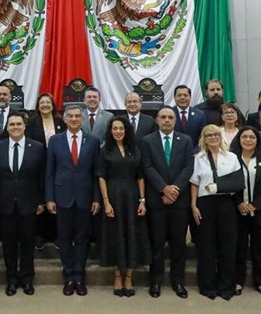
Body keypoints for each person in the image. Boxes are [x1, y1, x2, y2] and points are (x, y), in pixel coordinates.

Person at [45, 105, 101, 296]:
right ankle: (68, 277)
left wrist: (96, 198)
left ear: (82, 119)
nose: (74, 119)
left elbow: (96, 173)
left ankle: (79, 277)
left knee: (82, 239)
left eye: (77, 116)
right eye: (70, 116)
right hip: (62, 197)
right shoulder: (55, 141)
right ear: (65, 119)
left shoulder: (93, 141)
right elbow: (49, 171)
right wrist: (49, 198)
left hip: (85, 198)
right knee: (64, 238)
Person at [140, 106, 194, 299]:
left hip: (179, 201)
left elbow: (188, 167)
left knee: (178, 244)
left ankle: (178, 281)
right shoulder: (147, 141)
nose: (167, 120)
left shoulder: (185, 140)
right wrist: (164, 188)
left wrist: (174, 189)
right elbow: (147, 166)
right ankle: (156, 281)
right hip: (157, 201)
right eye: (163, 117)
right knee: (157, 244)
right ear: (157, 120)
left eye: (170, 117)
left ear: (175, 120)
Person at [0, 112, 46, 296]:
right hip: (5, 204)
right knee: (9, 245)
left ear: (24, 126)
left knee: (28, 244)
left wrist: (41, 201)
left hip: (29, 204)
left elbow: (42, 177)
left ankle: (27, 279)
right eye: (12, 124)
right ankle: (12, 280)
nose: (15, 127)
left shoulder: (37, 147)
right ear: (7, 127)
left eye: (18, 124)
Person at [190, 125, 245, 300]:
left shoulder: (232, 157)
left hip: (226, 203)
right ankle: (208, 286)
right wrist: (193, 205)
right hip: (204, 203)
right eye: (209, 135)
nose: (213, 137)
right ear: (204, 139)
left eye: (216, 134)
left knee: (227, 245)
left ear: (221, 137)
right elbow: (195, 183)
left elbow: (238, 182)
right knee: (206, 245)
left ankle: (226, 286)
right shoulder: (198, 158)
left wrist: (219, 187)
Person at [97, 116, 150, 297]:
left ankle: (129, 277)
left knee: (132, 235)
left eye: (121, 128)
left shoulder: (135, 150)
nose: (118, 131)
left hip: (132, 197)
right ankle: (117, 276)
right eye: (115, 128)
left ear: (126, 130)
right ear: (110, 131)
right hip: (113, 196)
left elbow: (140, 177)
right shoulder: (105, 150)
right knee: (115, 235)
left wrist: (142, 200)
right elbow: (101, 177)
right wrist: (106, 202)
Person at [229, 126, 261, 297]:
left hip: (260, 211)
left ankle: (260, 283)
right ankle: (238, 281)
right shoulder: (232, 158)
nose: (248, 140)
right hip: (238, 211)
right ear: (239, 139)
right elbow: (228, 182)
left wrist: (256, 204)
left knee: (259, 249)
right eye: (244, 137)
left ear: (257, 140)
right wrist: (239, 202)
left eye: (252, 137)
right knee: (239, 248)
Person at [25, 92, 65, 250]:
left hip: (58, 166)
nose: (45, 105)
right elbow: (28, 143)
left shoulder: (60, 121)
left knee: (56, 198)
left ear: (53, 105)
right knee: (40, 199)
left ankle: (56, 235)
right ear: (38, 106)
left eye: (48, 102)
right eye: (42, 103)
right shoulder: (32, 122)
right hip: (38, 165)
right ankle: (40, 234)